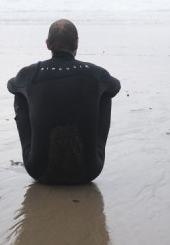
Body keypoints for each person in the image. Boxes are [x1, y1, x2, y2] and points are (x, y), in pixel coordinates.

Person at [7, 19, 120, 184]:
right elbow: (115, 87)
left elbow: (11, 86)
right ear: (76, 43)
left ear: (47, 44)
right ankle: (88, 151)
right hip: (89, 171)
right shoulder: (96, 73)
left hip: (40, 171)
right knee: (104, 93)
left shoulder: (31, 73)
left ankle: (36, 150)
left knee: (21, 93)